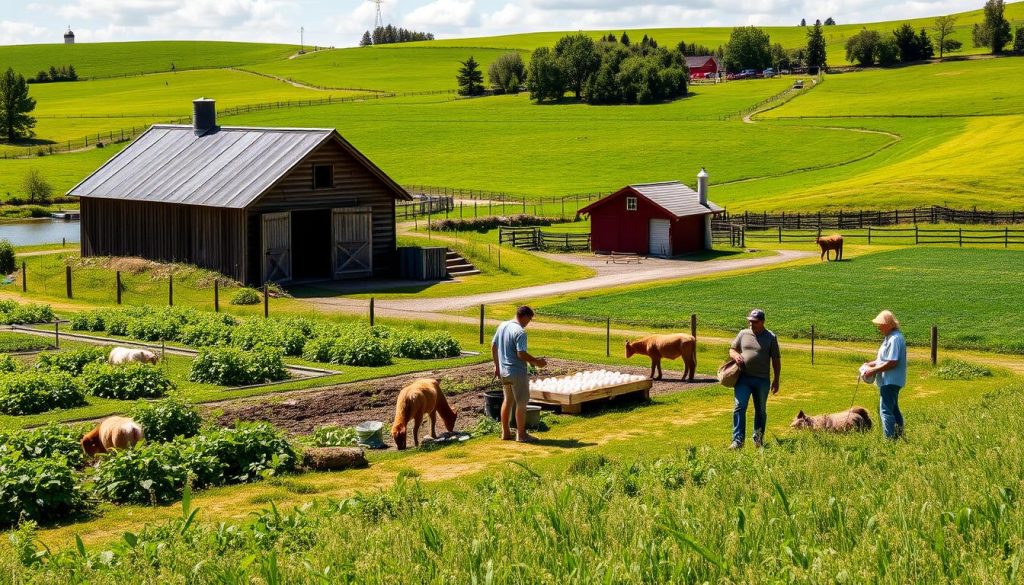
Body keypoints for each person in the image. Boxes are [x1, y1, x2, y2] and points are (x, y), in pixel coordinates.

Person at [491, 305, 546, 443]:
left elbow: (493, 345)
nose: (529, 322)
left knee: (508, 400)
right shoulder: (520, 332)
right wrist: (536, 361)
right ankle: (521, 435)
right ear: (524, 316)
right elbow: (520, 354)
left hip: (504, 372)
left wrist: (496, 366)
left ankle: (505, 432)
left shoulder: (503, 325)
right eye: (530, 319)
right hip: (516, 372)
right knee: (522, 402)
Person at [728, 309, 781, 449]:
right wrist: (735, 355)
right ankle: (737, 441)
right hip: (743, 379)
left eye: (754, 321)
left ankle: (758, 439)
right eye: (750, 321)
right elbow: (732, 349)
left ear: (762, 322)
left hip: (762, 380)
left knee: (760, 410)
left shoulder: (771, 337)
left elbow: (775, 359)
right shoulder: (743, 333)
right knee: (739, 407)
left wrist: (776, 379)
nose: (751, 323)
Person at [862, 310, 907, 439]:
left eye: (881, 324)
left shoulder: (894, 339)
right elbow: (884, 360)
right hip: (891, 380)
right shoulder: (892, 337)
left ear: (888, 324)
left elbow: (892, 362)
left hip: (890, 380)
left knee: (885, 410)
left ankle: (889, 440)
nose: (879, 328)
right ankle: (899, 436)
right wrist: (870, 364)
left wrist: (873, 370)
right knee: (894, 409)